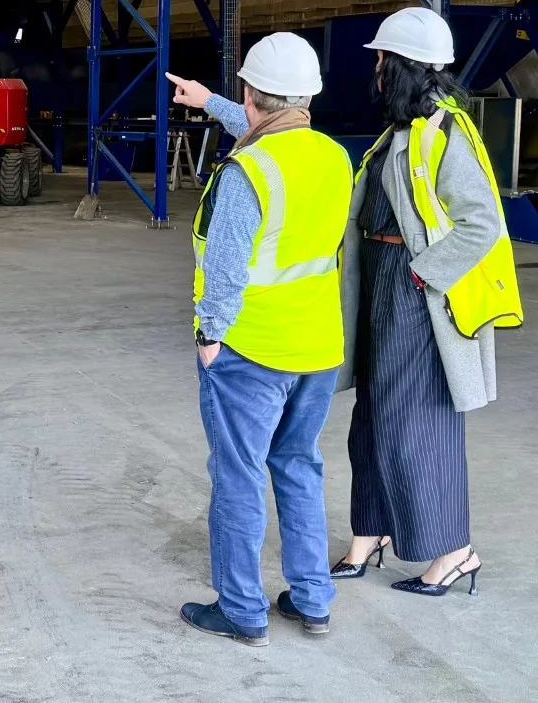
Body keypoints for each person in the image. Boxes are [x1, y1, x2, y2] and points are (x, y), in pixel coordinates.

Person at [164, 33, 352, 648]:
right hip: (318, 348)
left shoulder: (247, 172)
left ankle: (242, 610)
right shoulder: (333, 157)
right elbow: (272, 131)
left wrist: (208, 334)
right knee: (298, 466)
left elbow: (225, 264)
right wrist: (209, 102)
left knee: (239, 475)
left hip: (253, 350)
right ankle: (312, 599)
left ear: (251, 93)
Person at [329, 7, 522, 599]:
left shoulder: (446, 133)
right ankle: (370, 532)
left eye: (382, 60)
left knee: (416, 419)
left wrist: (421, 275)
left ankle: (455, 553)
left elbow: (481, 223)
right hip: (383, 284)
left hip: (415, 294)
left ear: (403, 66)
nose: (377, 70)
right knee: (371, 417)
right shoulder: (402, 131)